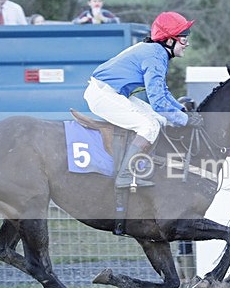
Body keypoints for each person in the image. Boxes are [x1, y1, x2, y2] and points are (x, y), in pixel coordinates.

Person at [83, 11, 200, 191]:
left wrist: (182, 111)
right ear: (169, 40)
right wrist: (185, 120)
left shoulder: (156, 51)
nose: (187, 44)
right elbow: (158, 103)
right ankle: (125, 175)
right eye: (184, 39)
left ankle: (142, 169)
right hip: (102, 94)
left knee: (159, 120)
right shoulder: (155, 56)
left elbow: (163, 91)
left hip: (112, 93)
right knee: (149, 126)